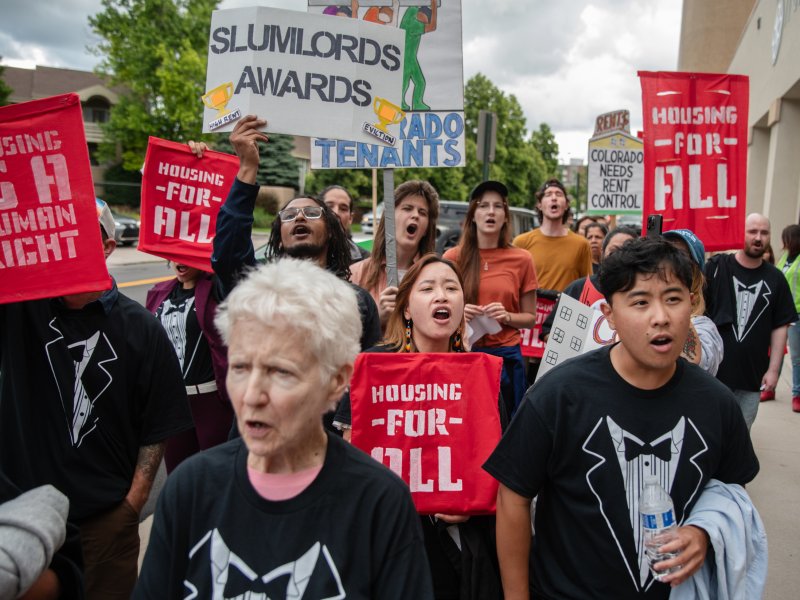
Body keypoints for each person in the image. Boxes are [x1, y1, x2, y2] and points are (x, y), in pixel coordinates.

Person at [134, 258, 434, 599]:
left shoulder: (380, 503)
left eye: (281, 372)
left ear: (337, 382)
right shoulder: (189, 489)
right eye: (241, 367)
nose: (252, 395)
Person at [484, 237, 759, 599]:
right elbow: (513, 498)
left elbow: (731, 496)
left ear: (690, 307)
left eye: (673, 299)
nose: (660, 317)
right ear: (609, 315)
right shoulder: (557, 395)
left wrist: (704, 532)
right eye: (640, 302)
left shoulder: (718, 404)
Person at [0, 200, 192, 599]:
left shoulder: (141, 327)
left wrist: (129, 508)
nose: (68, 245)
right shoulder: (18, 309)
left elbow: (157, 424)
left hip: (103, 524)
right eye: (61, 236)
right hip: (18, 520)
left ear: (108, 246)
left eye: (82, 235)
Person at [335, 254, 505, 599]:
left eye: (451, 288)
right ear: (408, 309)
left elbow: (499, 464)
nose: (441, 296)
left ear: (462, 306)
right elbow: (347, 459)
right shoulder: (373, 367)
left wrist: (472, 503)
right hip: (388, 538)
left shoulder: (481, 375)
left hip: (457, 545)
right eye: (427, 288)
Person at [190, 116, 381, 354]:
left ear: (331, 232)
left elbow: (370, 376)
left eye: (311, 213)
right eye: (289, 216)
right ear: (279, 237)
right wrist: (248, 167)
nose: (299, 218)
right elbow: (229, 249)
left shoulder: (358, 302)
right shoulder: (258, 289)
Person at [443, 180, 537, 415]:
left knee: (505, 429)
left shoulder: (522, 258)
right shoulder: (453, 257)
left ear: (506, 216)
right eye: (484, 206)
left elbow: (530, 318)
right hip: (464, 353)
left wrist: (507, 316)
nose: (491, 212)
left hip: (506, 357)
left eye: (498, 206)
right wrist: (459, 311)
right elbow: (438, 308)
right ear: (473, 214)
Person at [704, 213, 797, 429]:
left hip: (751, 377)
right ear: (740, 233)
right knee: (709, 433)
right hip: (714, 375)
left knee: (739, 437)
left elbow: (780, 326)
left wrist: (773, 370)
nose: (758, 238)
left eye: (764, 233)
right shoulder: (717, 268)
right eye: (752, 231)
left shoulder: (776, 279)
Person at [145, 262, 234, 473]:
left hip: (211, 399)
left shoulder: (218, 289)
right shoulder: (160, 292)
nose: (179, 262)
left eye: (184, 256)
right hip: (174, 401)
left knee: (219, 474)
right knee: (178, 474)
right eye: (174, 257)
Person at [350, 179, 440, 328]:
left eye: (422, 212)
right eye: (407, 208)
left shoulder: (438, 275)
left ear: (426, 229)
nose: (415, 215)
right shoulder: (358, 273)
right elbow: (344, 335)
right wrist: (377, 317)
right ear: (389, 219)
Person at [540, 225, 638, 340]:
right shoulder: (578, 288)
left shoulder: (643, 292)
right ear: (603, 253)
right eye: (613, 251)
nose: (619, 257)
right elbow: (548, 330)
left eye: (627, 252)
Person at [662, 229, 724, 376]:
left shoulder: (704, 328)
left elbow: (694, 365)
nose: (671, 263)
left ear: (695, 274)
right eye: (666, 253)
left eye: (681, 256)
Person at [776, 224, 800, 412]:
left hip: (797, 313)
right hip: (782, 312)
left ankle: (797, 394)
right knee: (777, 351)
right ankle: (770, 386)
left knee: (796, 357)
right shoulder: (785, 258)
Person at [319, 184, 370, 263]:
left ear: (350, 218)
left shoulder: (365, 261)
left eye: (343, 209)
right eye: (329, 207)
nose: (335, 212)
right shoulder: (299, 254)